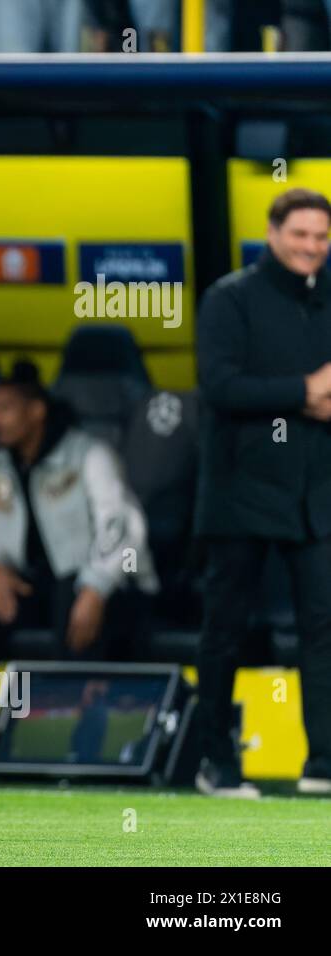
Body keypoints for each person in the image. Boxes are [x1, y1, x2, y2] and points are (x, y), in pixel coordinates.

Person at [0, 360, 159, 752]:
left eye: (5, 409)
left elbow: (125, 531)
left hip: (111, 594)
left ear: (36, 411)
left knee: (72, 593)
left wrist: (97, 586)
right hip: (39, 593)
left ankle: (75, 727)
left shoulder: (89, 456)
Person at [194, 187, 331, 798]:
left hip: (317, 496)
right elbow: (220, 386)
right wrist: (303, 392)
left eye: (321, 237)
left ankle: (323, 764)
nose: (310, 247)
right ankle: (216, 762)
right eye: (300, 234)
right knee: (226, 630)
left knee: (324, 630)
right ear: (273, 233)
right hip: (241, 491)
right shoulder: (231, 298)